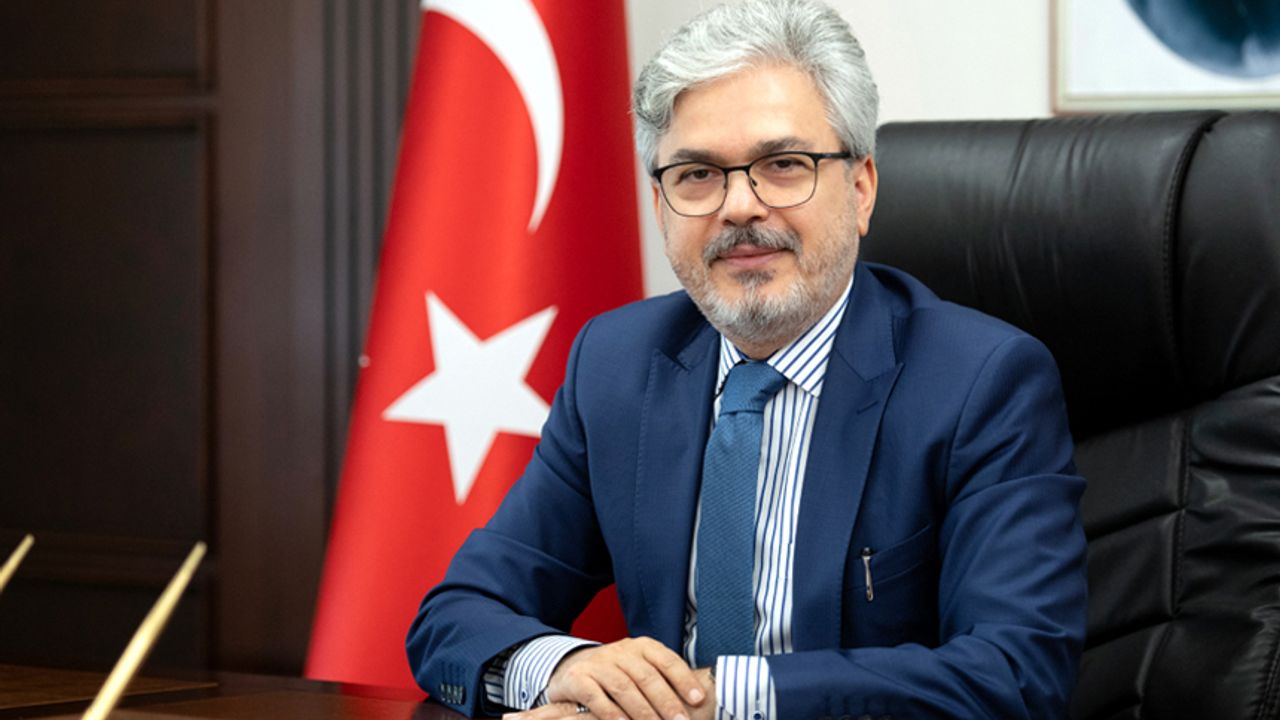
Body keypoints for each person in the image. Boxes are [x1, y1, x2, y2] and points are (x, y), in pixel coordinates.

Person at [406, 1, 1088, 718]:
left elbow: (1015, 673)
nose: (738, 207)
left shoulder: (983, 382)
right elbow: (455, 617)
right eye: (697, 174)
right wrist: (567, 670)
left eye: (783, 165)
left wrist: (711, 700)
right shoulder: (617, 364)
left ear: (860, 190)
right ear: (660, 206)